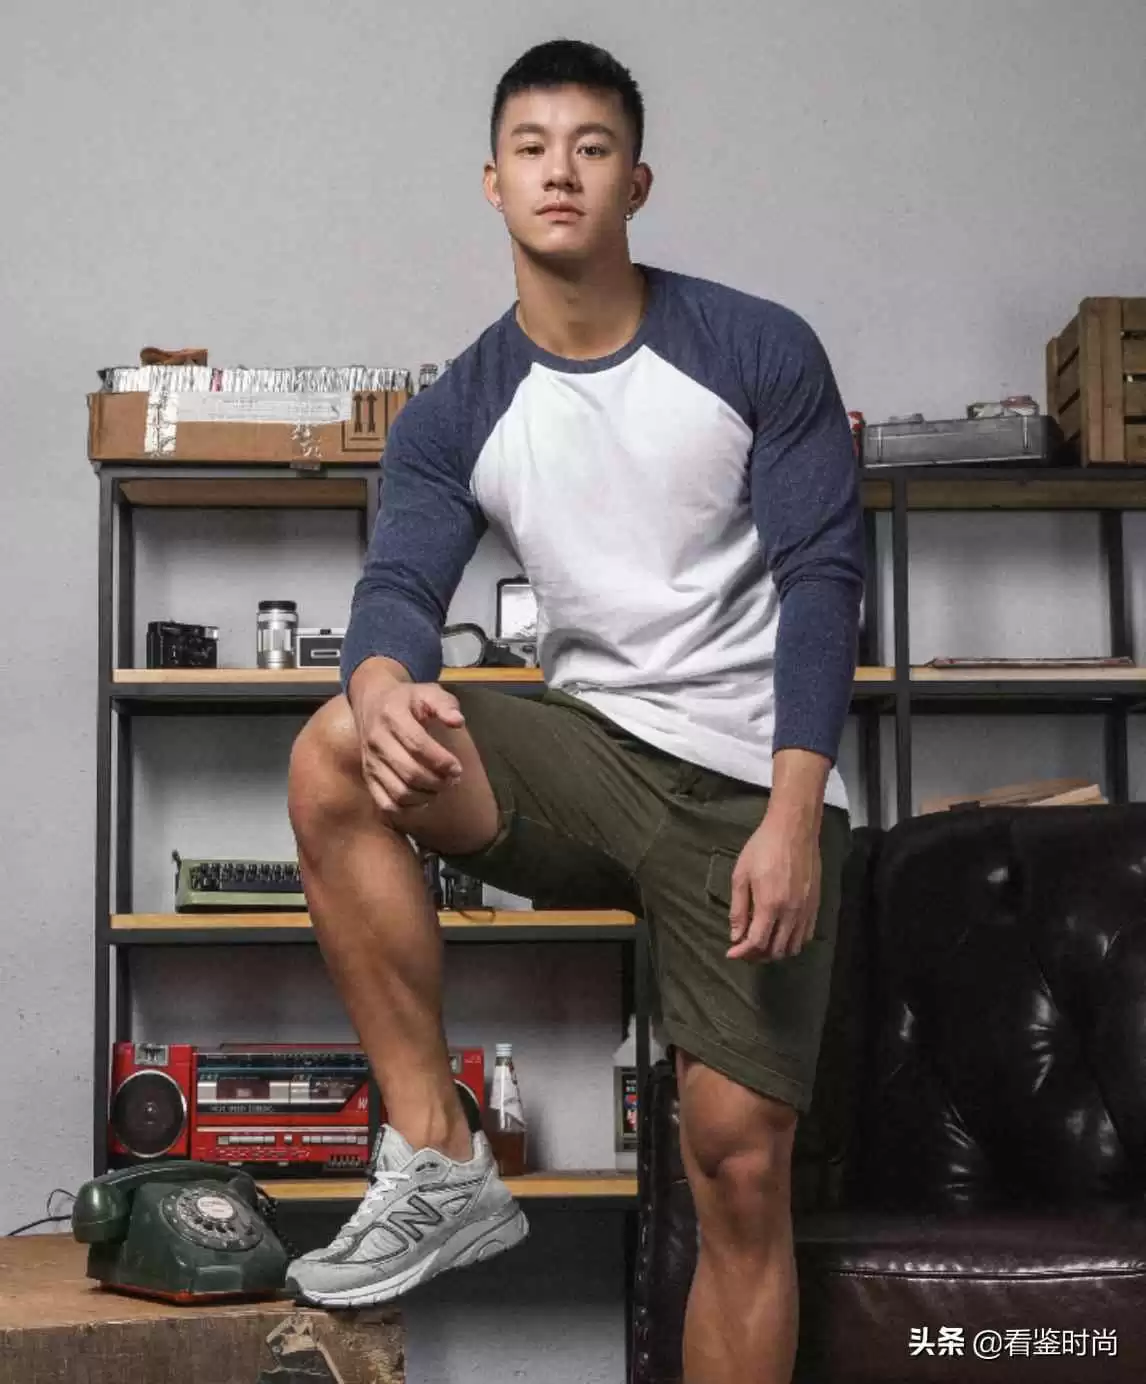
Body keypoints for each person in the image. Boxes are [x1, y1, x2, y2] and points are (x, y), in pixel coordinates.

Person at [285, 36, 863, 1384]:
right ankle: (439, 1154)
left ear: (635, 182)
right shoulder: (457, 412)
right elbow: (397, 588)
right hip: (591, 757)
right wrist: (380, 682)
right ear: (492, 182)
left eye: (592, 148)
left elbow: (824, 576)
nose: (562, 171)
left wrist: (793, 816)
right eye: (533, 148)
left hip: (747, 785)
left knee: (735, 1164)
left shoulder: (756, 348)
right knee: (335, 748)